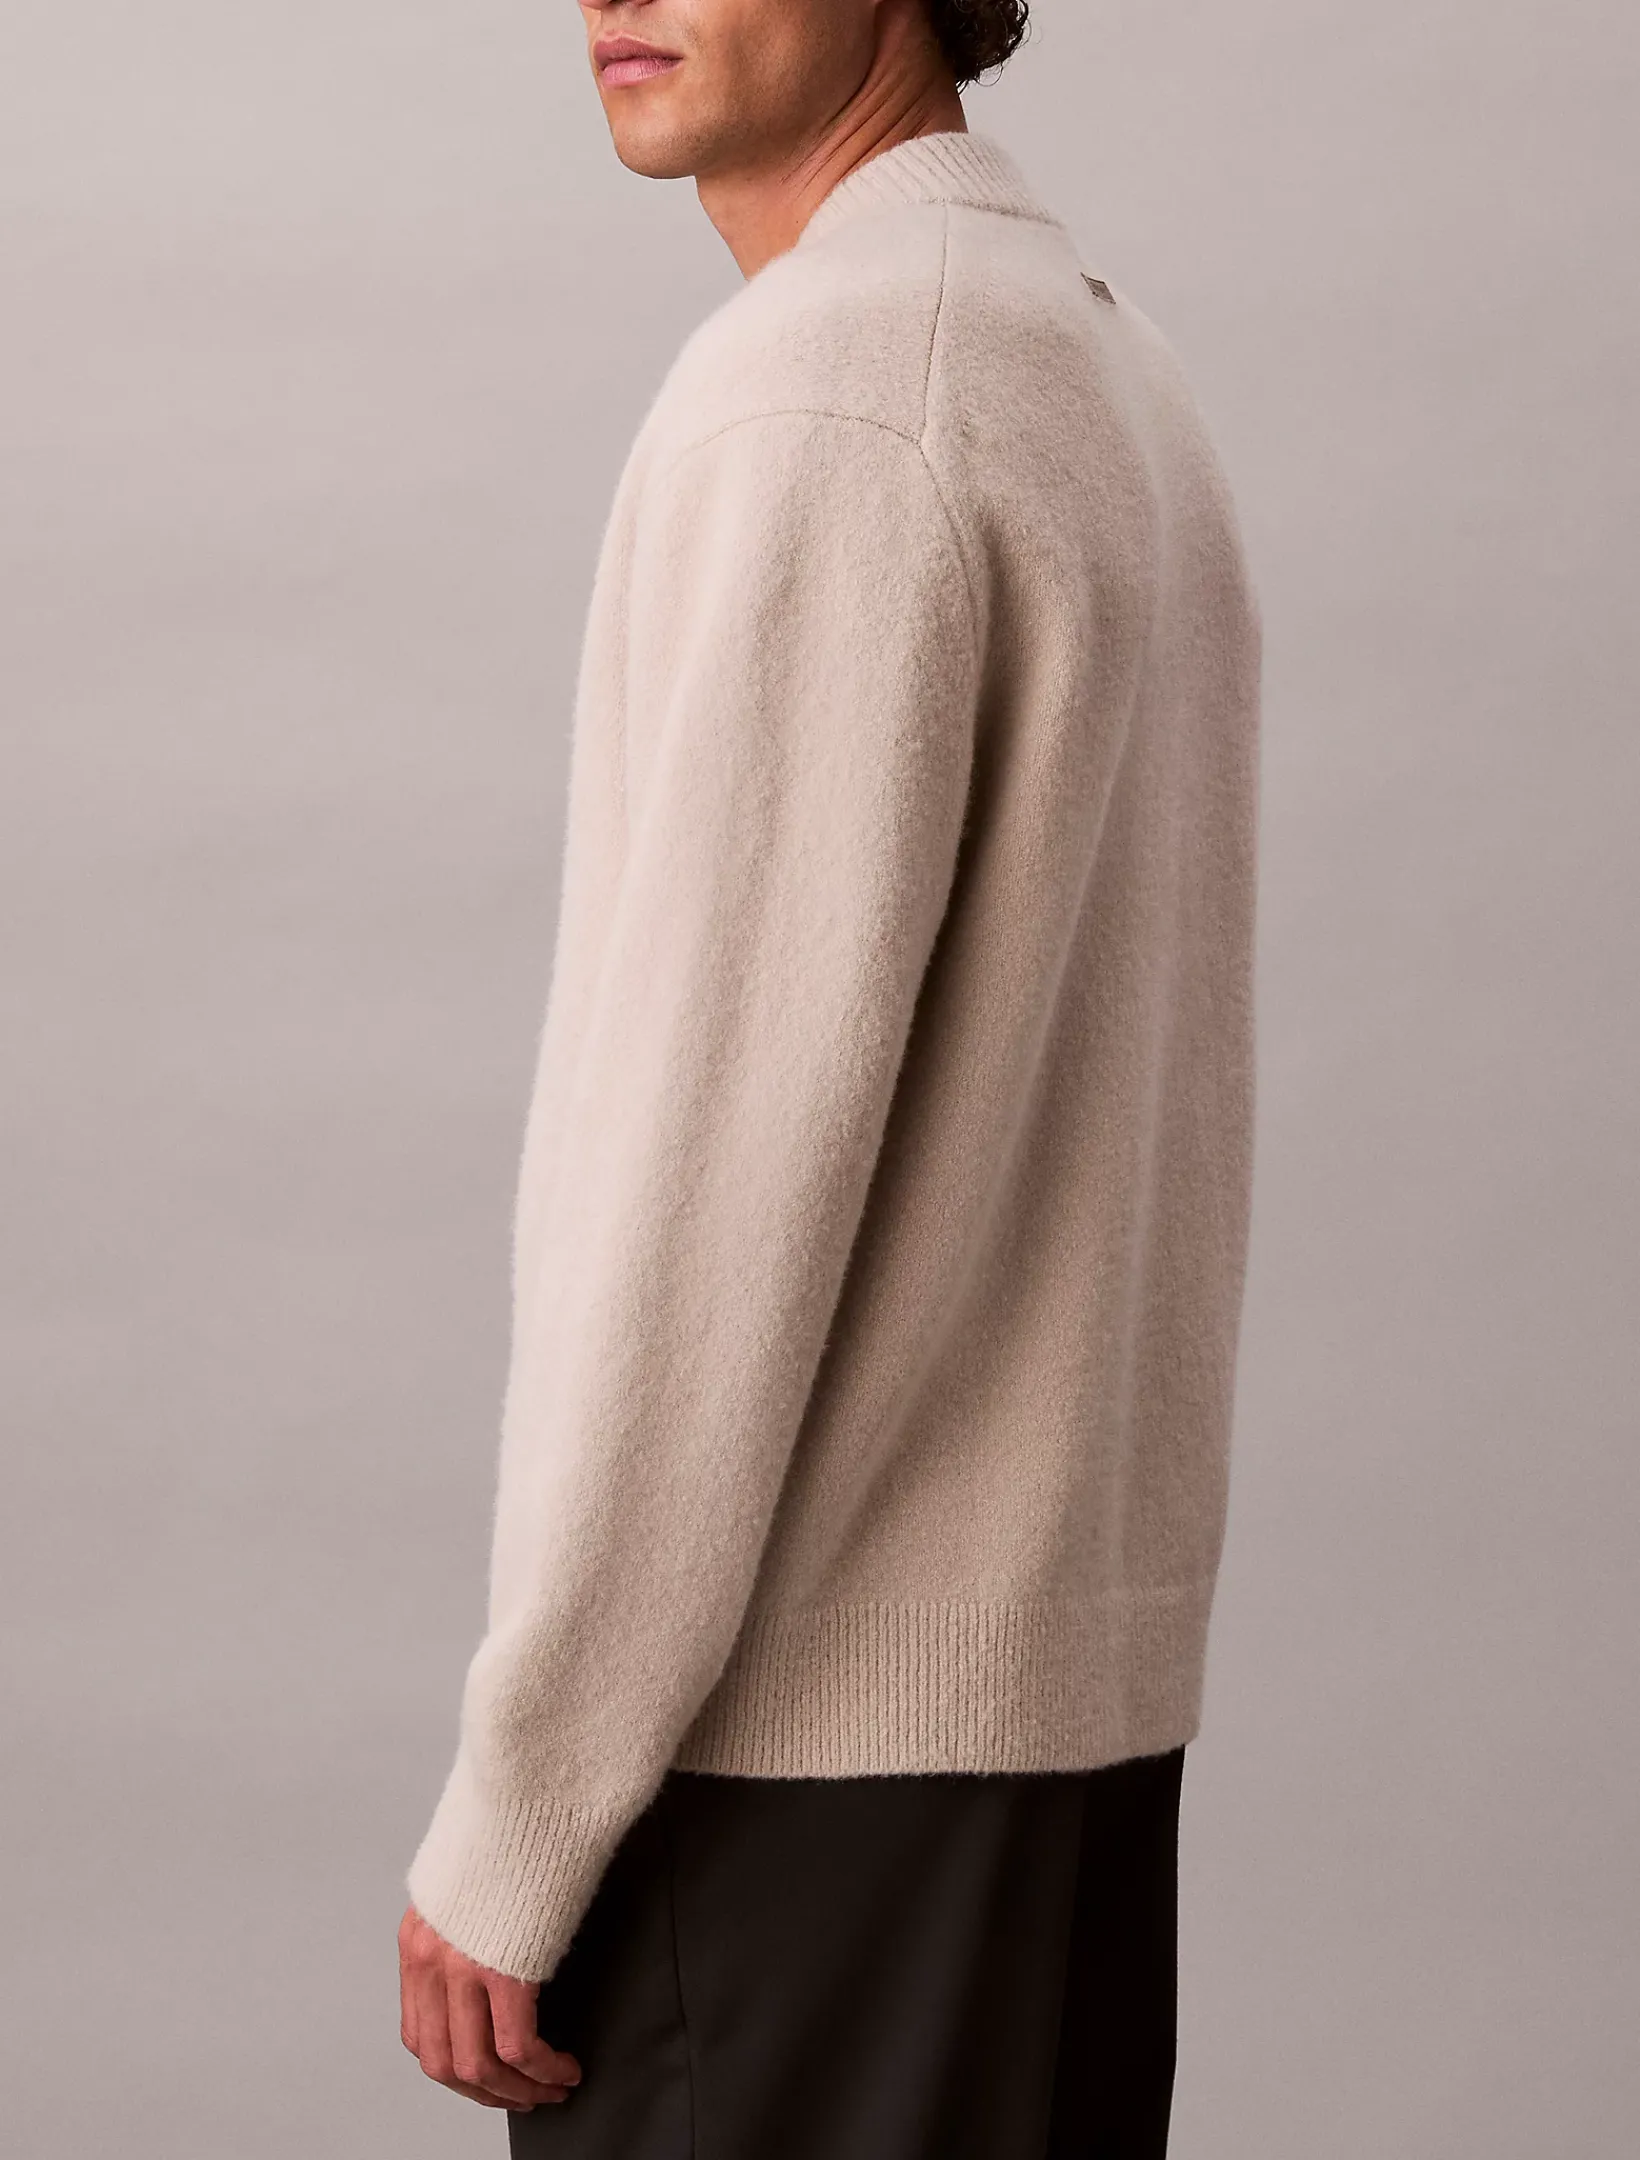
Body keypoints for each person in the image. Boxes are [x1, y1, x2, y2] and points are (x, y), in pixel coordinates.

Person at [397, 0, 1262, 2151]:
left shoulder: (829, 394)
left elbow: (708, 1192)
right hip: (1054, 1761)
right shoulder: (1105, 366)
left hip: (789, 1790)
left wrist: (527, 1797)